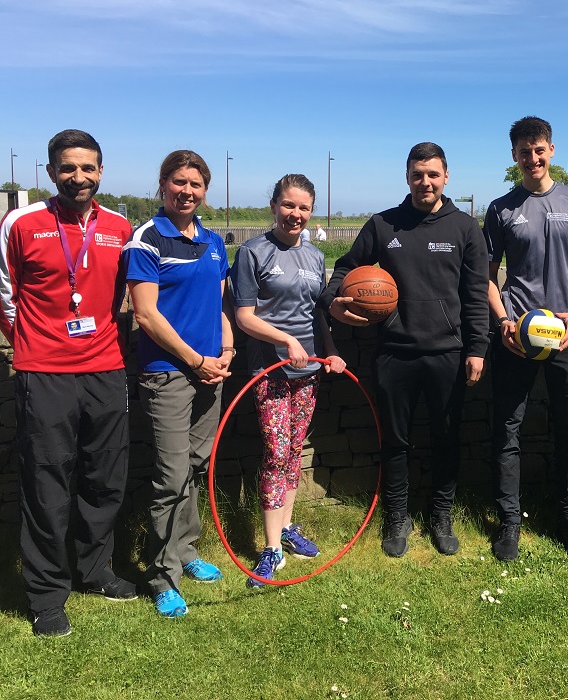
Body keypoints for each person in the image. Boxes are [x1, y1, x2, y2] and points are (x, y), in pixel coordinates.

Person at [319, 143, 489, 558]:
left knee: (446, 438)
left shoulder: (466, 228)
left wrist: (477, 347)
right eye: (417, 174)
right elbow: (344, 269)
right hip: (394, 351)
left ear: (446, 177)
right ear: (407, 177)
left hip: (448, 353)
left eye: (433, 174)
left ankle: (441, 515)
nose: (425, 182)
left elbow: (476, 294)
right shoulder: (383, 225)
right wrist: (334, 299)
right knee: (395, 440)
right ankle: (397, 516)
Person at [0, 129, 136, 637]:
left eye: (88, 168)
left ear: (101, 172)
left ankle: (95, 571)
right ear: (51, 170)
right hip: (45, 372)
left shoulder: (119, 226)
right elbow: (6, 292)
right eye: (68, 167)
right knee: (46, 484)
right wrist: (33, 343)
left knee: (106, 478)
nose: (78, 177)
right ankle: (47, 595)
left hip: (106, 367)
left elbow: (131, 295)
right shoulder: (22, 222)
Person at [484, 116, 568, 562]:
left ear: (550, 150)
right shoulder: (500, 209)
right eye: (523, 152)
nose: (532, 159)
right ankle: (509, 524)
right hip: (517, 335)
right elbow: (487, 276)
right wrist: (503, 322)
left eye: (539, 150)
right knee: (506, 431)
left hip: (567, 335)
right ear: (513, 156)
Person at [124, 150, 235, 618]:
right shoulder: (147, 239)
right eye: (178, 182)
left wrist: (227, 351)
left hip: (212, 369)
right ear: (163, 185)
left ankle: (186, 551)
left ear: (205, 189)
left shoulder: (212, 241)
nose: (187, 191)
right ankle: (161, 574)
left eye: (195, 183)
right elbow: (145, 313)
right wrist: (195, 360)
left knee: (193, 464)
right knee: (170, 477)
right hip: (169, 373)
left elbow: (220, 305)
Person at [231, 175, 346, 587]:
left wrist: (329, 350)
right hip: (269, 370)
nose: (295, 214)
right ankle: (271, 548)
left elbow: (318, 312)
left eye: (303, 208)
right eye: (288, 205)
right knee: (276, 451)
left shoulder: (315, 257)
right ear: (274, 205)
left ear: (311, 211)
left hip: (308, 371)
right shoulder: (252, 252)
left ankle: (287, 527)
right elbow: (244, 316)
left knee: (295, 448)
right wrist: (284, 340)